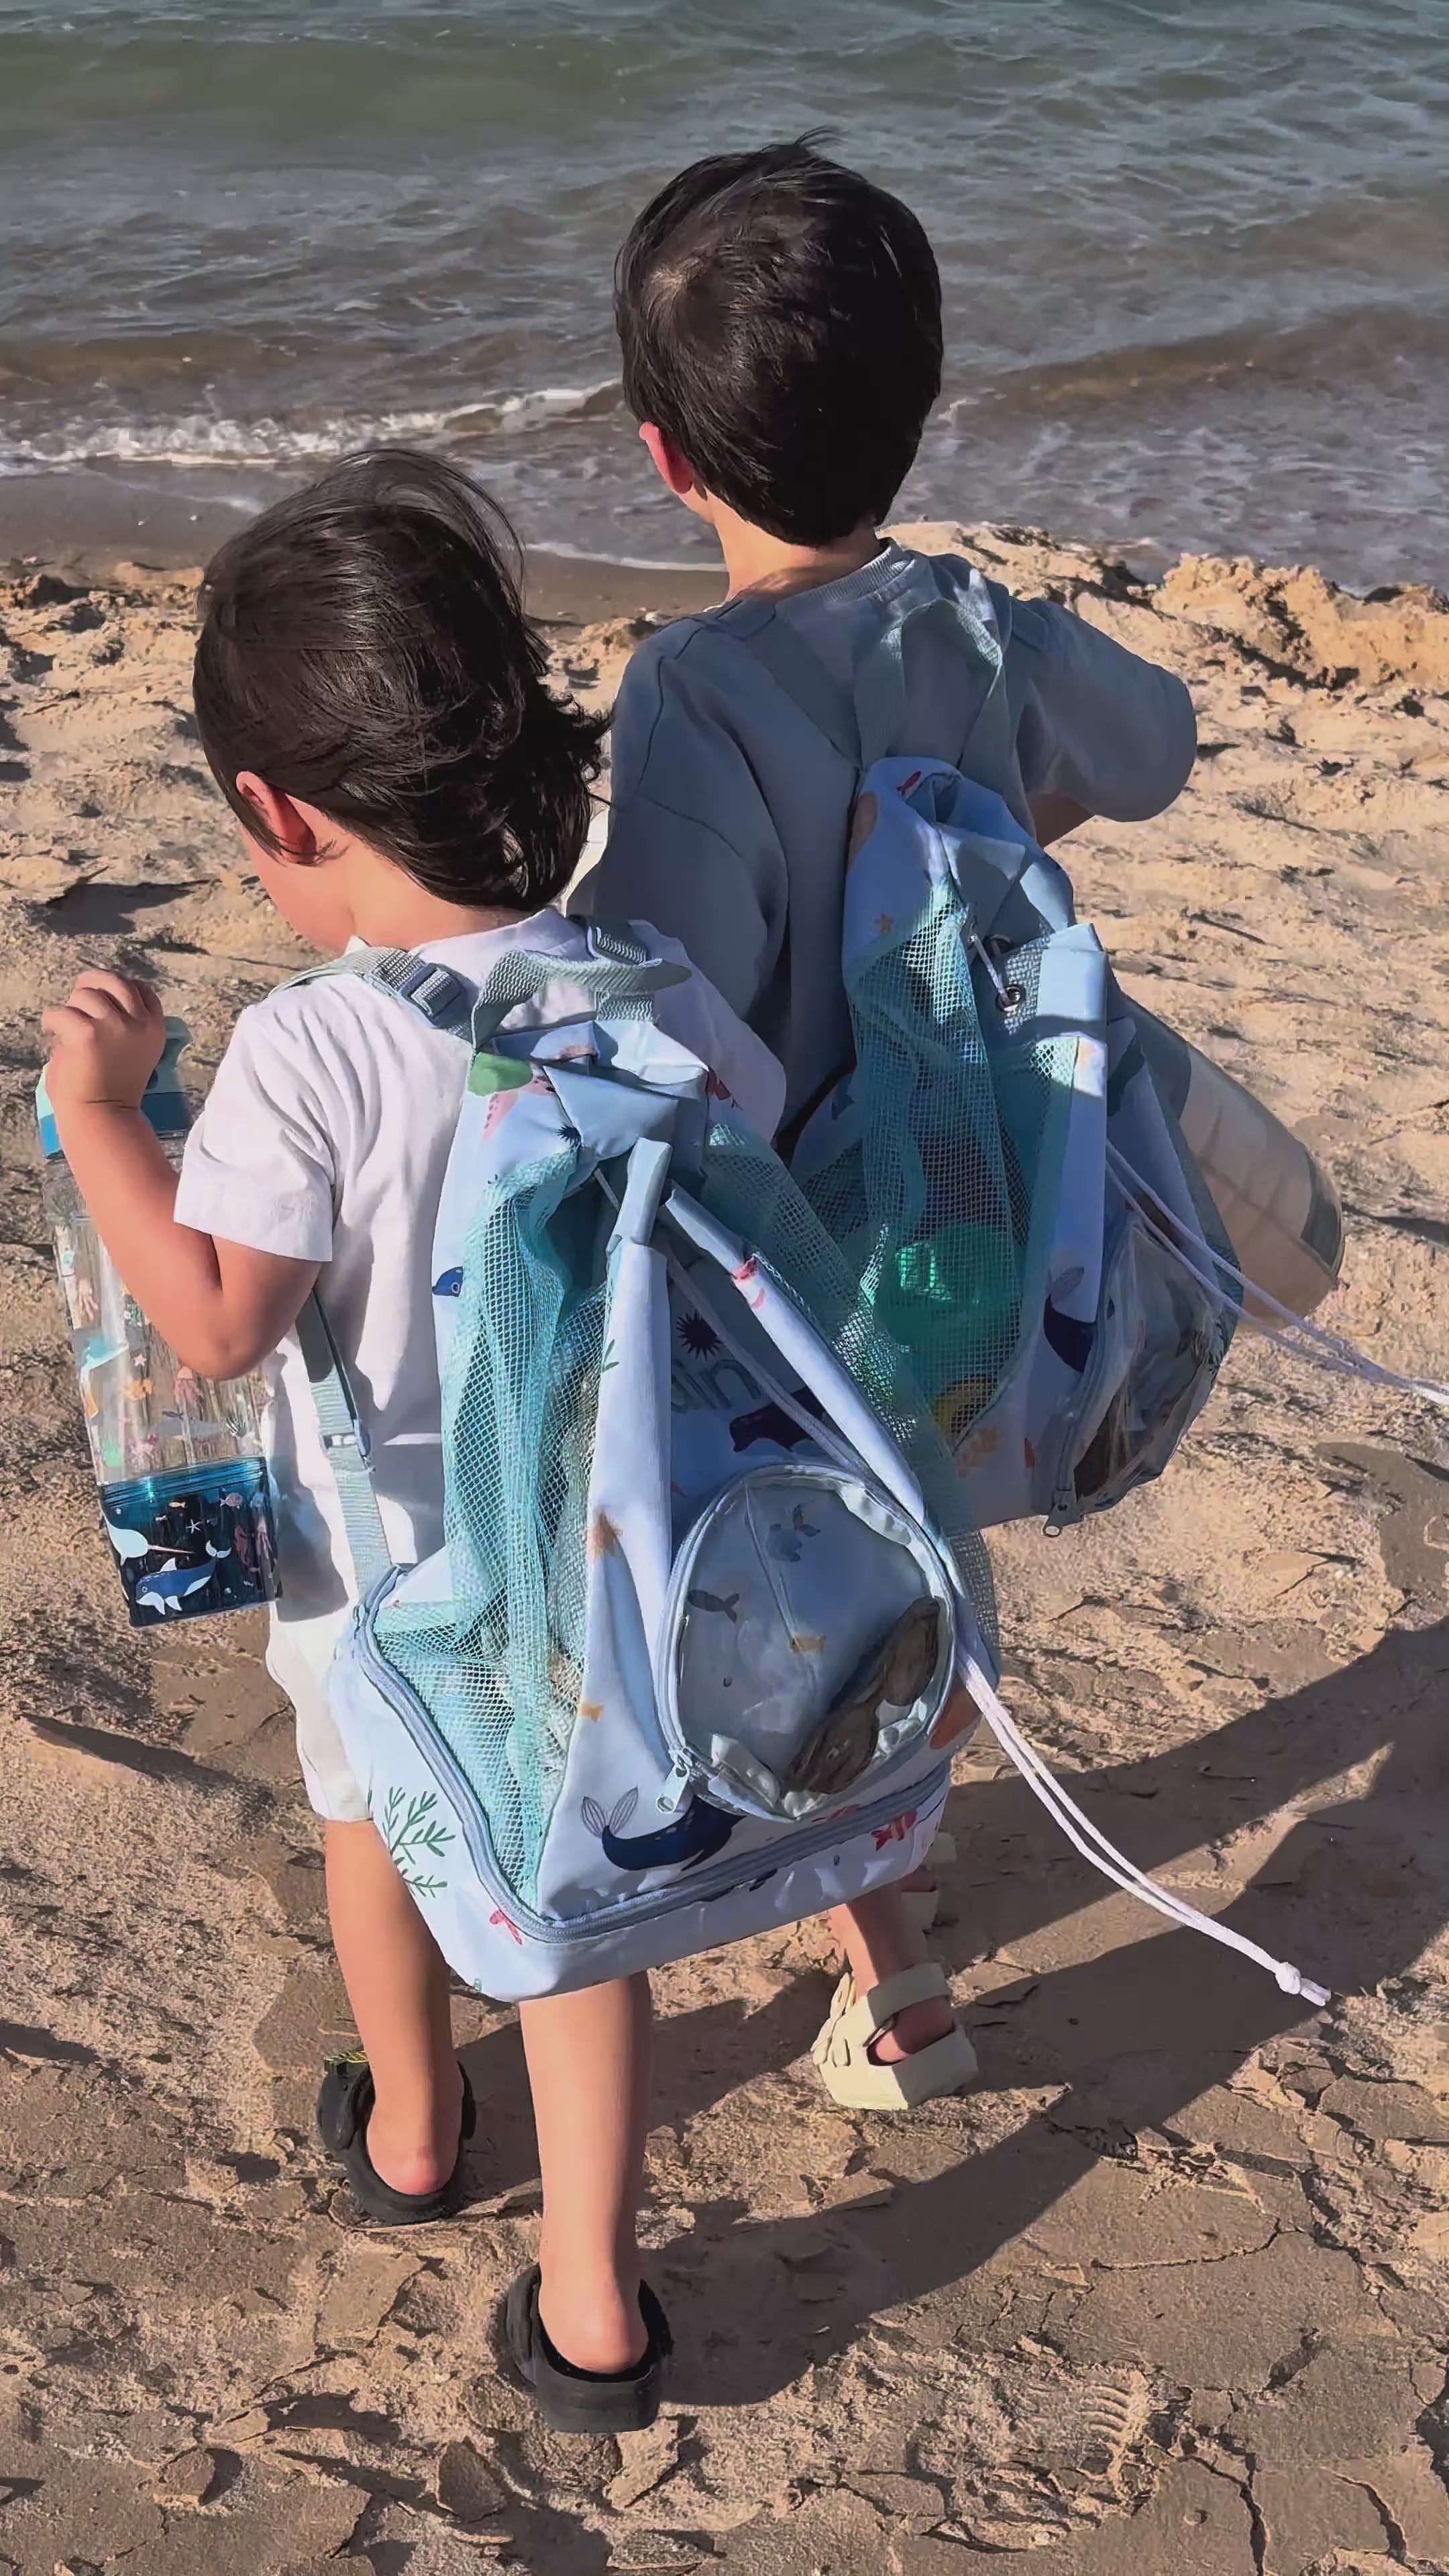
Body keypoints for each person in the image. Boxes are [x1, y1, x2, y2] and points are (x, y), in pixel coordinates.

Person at [38, 447, 968, 2433]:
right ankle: (596, 2305)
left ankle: (411, 2134)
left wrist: (104, 1114)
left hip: (385, 1580)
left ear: (276, 814)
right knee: (577, 1905)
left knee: (370, 1829)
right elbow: (743, 1151)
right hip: (606, 1548)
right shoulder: (643, 982)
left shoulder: (312, 1048)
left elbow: (214, 1321)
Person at [589, 138, 1197, 1132]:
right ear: (919, 410)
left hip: (811, 1197)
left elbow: (671, 1018)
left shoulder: (692, 689)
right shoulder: (981, 627)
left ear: (669, 459)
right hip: (982, 1151)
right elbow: (1160, 745)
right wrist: (988, 831)